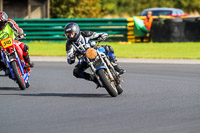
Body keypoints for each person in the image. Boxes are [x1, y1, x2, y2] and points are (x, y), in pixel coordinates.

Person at [64, 22, 125, 87]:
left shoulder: (86, 34)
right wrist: (71, 58)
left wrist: (102, 35)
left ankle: (116, 66)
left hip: (95, 50)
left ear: (76, 31)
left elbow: (97, 34)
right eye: (68, 34)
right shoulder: (69, 44)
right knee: (76, 72)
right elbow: (69, 56)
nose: (70, 36)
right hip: (84, 58)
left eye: (72, 34)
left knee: (108, 48)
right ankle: (95, 79)